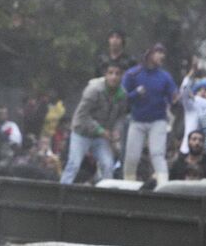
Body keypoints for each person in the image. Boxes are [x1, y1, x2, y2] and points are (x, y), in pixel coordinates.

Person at [119, 44, 177, 184]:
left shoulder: (165, 77)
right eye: (158, 52)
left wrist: (178, 99)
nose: (162, 56)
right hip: (137, 121)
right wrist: (136, 93)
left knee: (157, 154)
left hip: (158, 121)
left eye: (163, 53)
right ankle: (128, 183)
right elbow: (122, 96)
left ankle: (164, 184)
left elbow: (173, 98)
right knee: (132, 156)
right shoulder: (133, 74)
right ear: (149, 54)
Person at [62, 62, 124, 184]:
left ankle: (107, 196)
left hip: (100, 137)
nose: (114, 77)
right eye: (110, 73)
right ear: (106, 75)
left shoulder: (122, 94)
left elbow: (121, 117)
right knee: (73, 164)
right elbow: (82, 115)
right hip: (82, 133)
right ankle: (61, 193)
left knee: (108, 164)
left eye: (117, 74)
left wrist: (117, 130)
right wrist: (100, 129)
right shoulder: (94, 90)